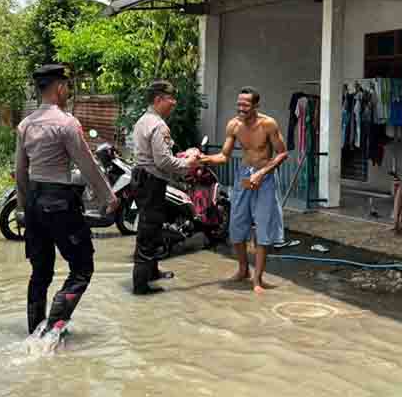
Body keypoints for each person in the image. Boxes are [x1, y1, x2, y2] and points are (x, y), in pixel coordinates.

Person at [15, 64, 119, 337]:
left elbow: (20, 172)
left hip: (35, 203)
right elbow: (87, 165)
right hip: (60, 202)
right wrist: (108, 197)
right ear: (60, 87)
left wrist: (22, 209)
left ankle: (33, 332)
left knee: (40, 272)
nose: (68, 92)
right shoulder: (67, 123)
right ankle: (53, 328)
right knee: (82, 268)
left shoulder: (25, 125)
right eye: (68, 87)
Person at [201, 87, 288, 294]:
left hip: (264, 179)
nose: (241, 108)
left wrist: (262, 173)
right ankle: (243, 270)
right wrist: (201, 159)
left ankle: (257, 278)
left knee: (263, 227)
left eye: (246, 105)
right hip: (243, 176)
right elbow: (224, 156)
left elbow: (283, 153)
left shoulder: (268, 124)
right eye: (239, 104)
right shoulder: (234, 125)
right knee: (236, 225)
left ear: (255, 106)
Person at [130, 81, 200, 295]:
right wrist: (188, 164)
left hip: (142, 179)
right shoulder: (158, 125)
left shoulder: (143, 120)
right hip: (152, 181)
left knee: (150, 227)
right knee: (149, 231)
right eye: (170, 98)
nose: (174, 103)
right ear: (158, 99)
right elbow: (163, 162)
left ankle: (151, 272)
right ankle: (141, 286)